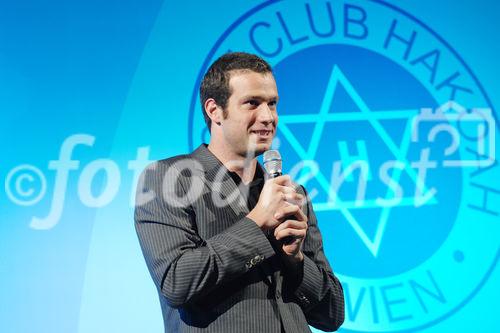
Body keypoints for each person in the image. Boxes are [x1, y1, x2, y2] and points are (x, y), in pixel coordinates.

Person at [134, 52, 344, 332]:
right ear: (214, 111)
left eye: (272, 104)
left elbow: (332, 314)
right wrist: (257, 224)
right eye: (252, 104)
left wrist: (295, 261)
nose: (268, 117)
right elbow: (176, 281)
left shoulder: (291, 195)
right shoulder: (169, 180)